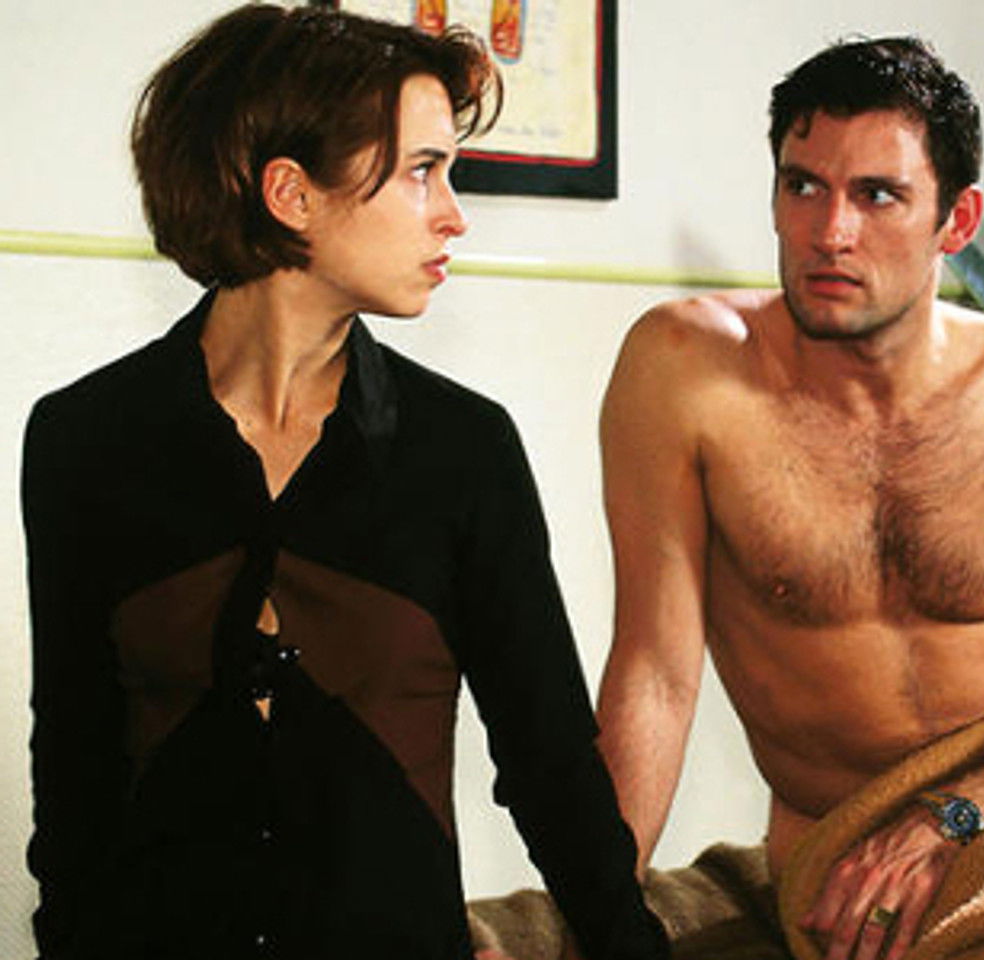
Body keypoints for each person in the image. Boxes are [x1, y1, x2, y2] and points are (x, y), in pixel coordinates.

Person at [21, 6, 668, 960]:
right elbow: (73, 775)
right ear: (292, 193)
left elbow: (552, 769)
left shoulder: (463, 450)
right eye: (422, 171)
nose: (453, 214)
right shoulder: (84, 439)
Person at [595, 36, 984, 960]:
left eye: (878, 195)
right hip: (841, 843)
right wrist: (595, 920)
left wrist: (951, 816)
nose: (830, 232)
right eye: (803, 186)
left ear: (957, 220)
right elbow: (654, 676)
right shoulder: (687, 372)